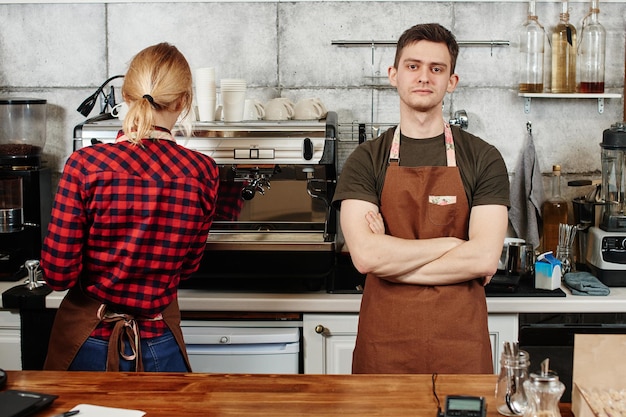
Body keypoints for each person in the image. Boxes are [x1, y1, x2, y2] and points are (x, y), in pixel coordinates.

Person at [332, 23, 510, 374]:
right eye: (413, 66)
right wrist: (454, 244)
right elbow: (367, 257)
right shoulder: (366, 159)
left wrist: (392, 258)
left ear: (451, 81)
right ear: (393, 75)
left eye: (436, 68)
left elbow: (485, 259)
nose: (424, 77)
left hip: (460, 344)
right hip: (384, 345)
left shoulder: (483, 157)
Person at [40, 43, 220, 372]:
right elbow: (189, 268)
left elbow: (57, 274)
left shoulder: (86, 165)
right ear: (183, 101)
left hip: (87, 339)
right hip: (159, 343)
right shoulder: (203, 171)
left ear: (126, 95)